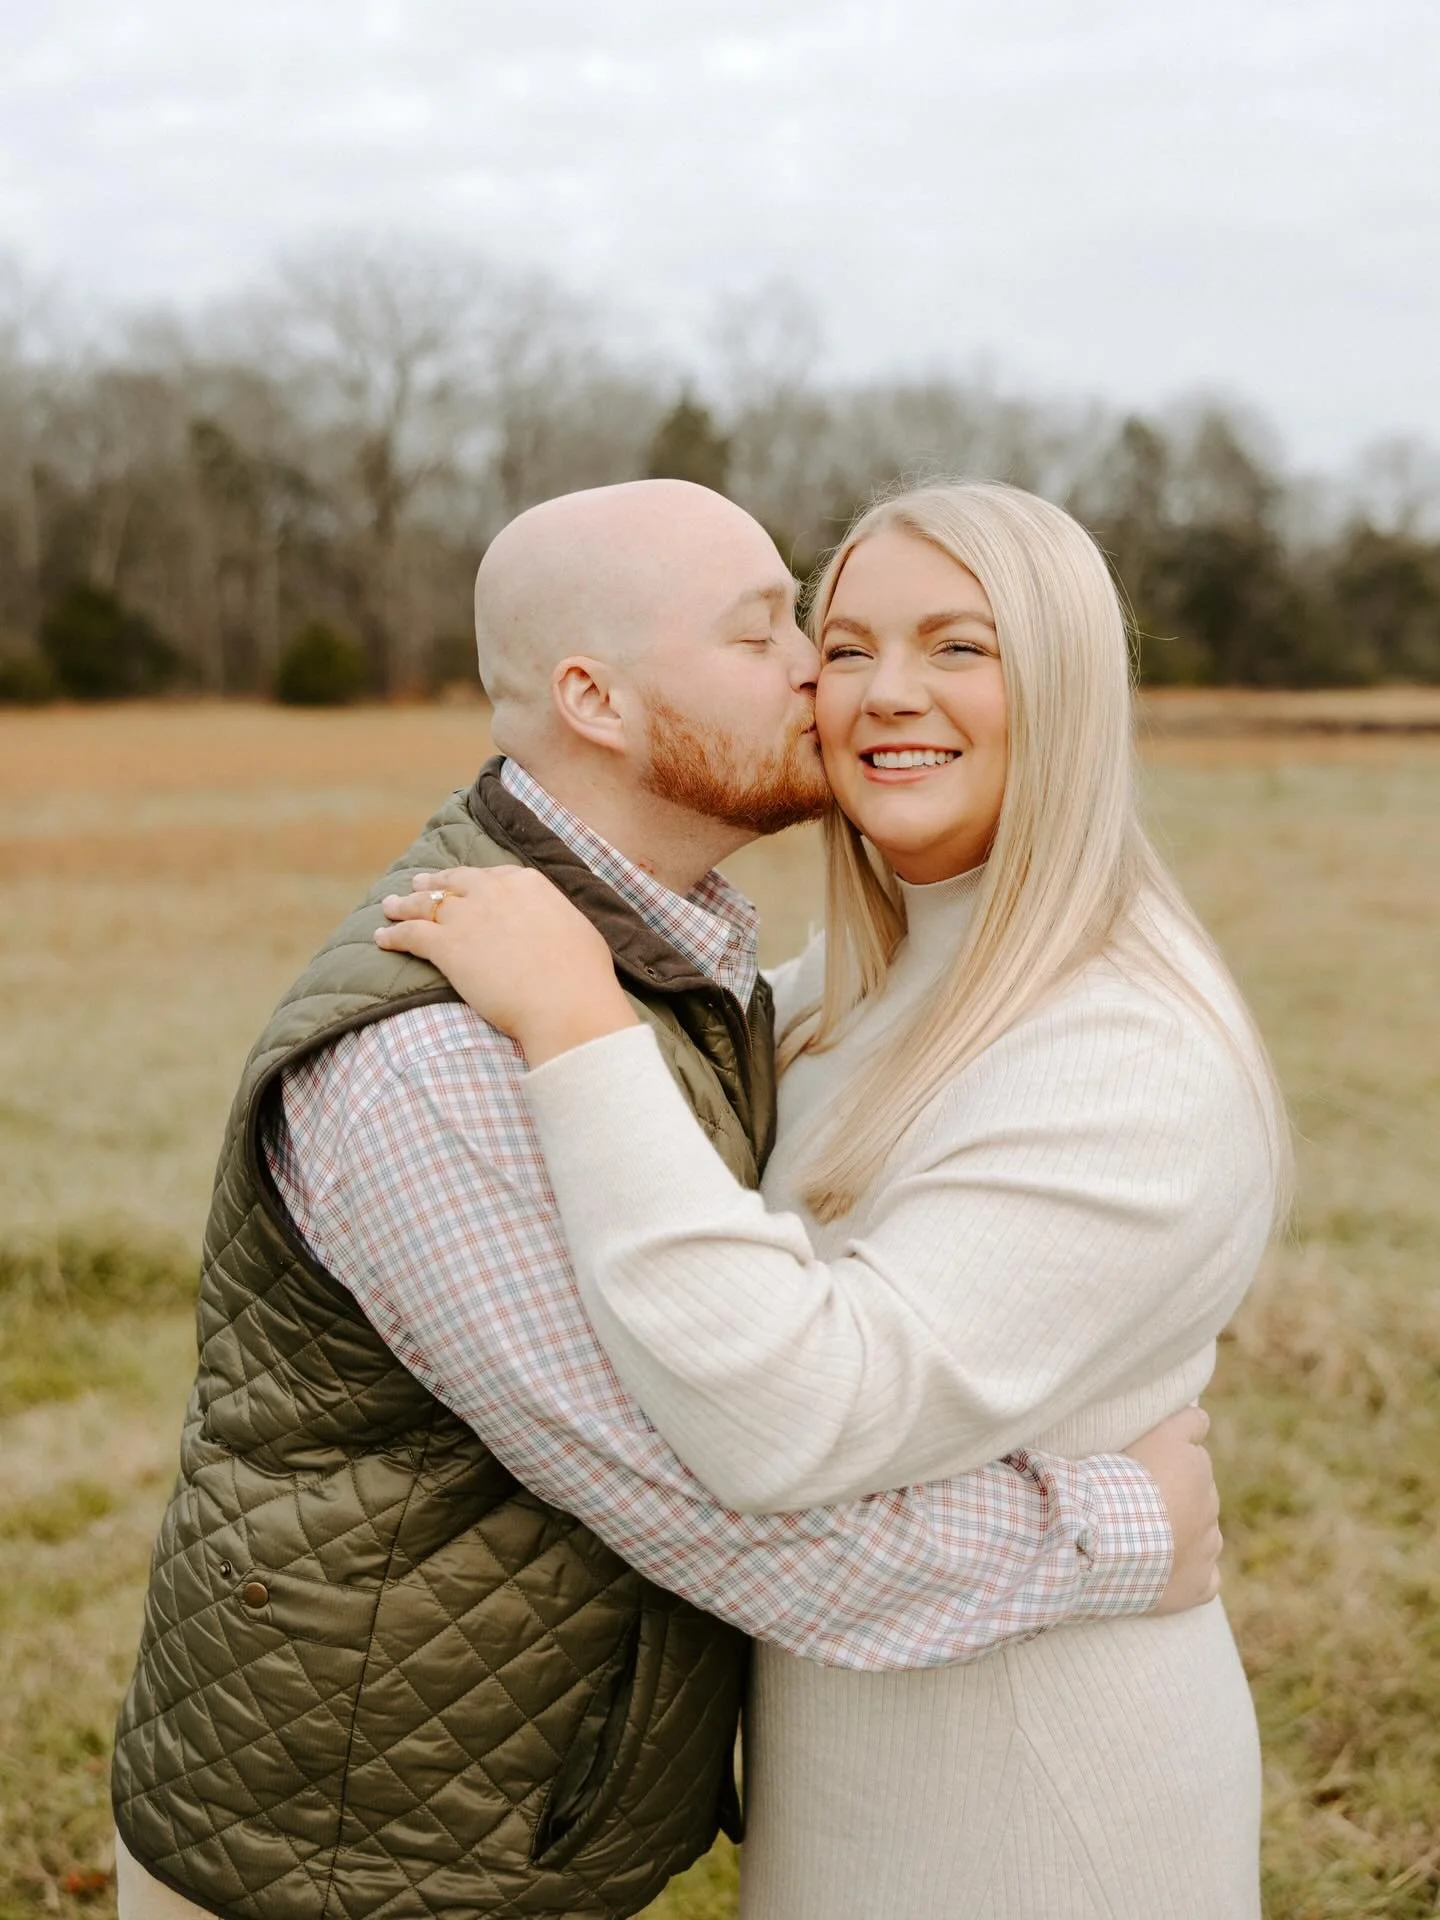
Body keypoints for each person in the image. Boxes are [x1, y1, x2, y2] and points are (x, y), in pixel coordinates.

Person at [114, 480, 1221, 1920]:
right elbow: (704, 1501)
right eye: (771, 634)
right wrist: (1119, 1531)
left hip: (488, 1826)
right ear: (596, 696)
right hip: (342, 1865)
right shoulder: (447, 1058)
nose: (822, 675)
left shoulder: (671, 970)